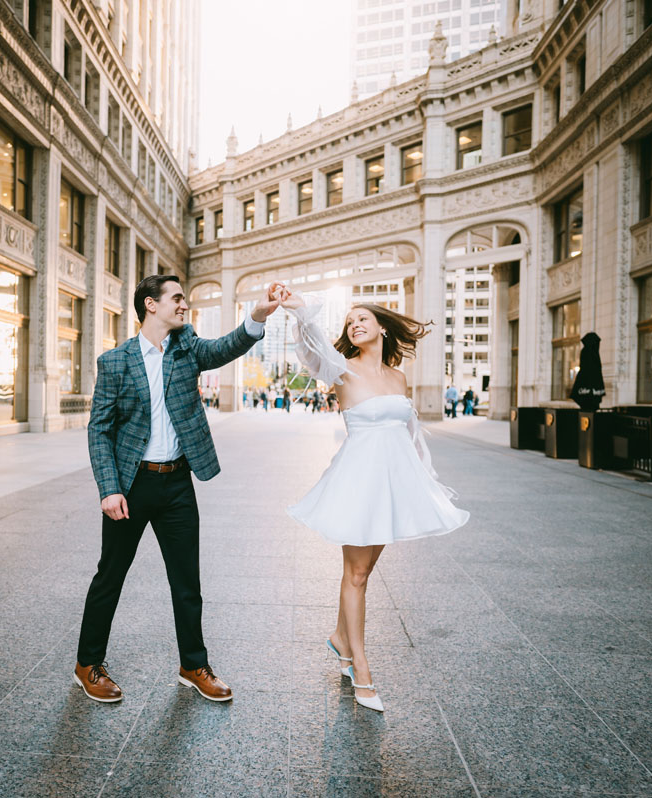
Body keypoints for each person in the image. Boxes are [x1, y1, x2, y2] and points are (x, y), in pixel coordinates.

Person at [75, 275, 284, 704]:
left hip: (177, 484)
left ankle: (193, 665)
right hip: (130, 486)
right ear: (150, 305)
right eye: (177, 299)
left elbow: (224, 347)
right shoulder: (114, 361)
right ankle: (87, 664)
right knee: (109, 577)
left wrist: (257, 316)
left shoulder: (186, 347)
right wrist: (109, 488)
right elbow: (99, 430)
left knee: (187, 581)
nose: (184, 305)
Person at [279, 289, 469, 712]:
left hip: (395, 482)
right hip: (359, 480)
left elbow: (411, 433)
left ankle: (340, 637)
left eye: (363, 318)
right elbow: (312, 348)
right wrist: (299, 310)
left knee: (362, 570)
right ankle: (360, 667)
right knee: (358, 575)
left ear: (382, 327)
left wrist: (426, 481)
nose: (355, 325)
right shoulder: (341, 369)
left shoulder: (398, 378)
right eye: (350, 323)